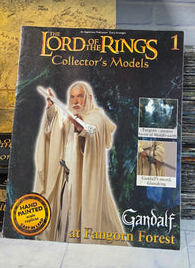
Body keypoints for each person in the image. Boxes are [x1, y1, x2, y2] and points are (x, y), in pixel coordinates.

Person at [33, 81, 126, 244]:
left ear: (88, 98)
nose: (75, 101)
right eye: (72, 97)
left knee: (82, 216)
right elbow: (56, 131)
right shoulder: (69, 119)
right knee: (65, 220)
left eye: (80, 96)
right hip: (66, 181)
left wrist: (81, 129)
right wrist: (52, 109)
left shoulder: (96, 116)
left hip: (83, 182)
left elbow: (94, 131)